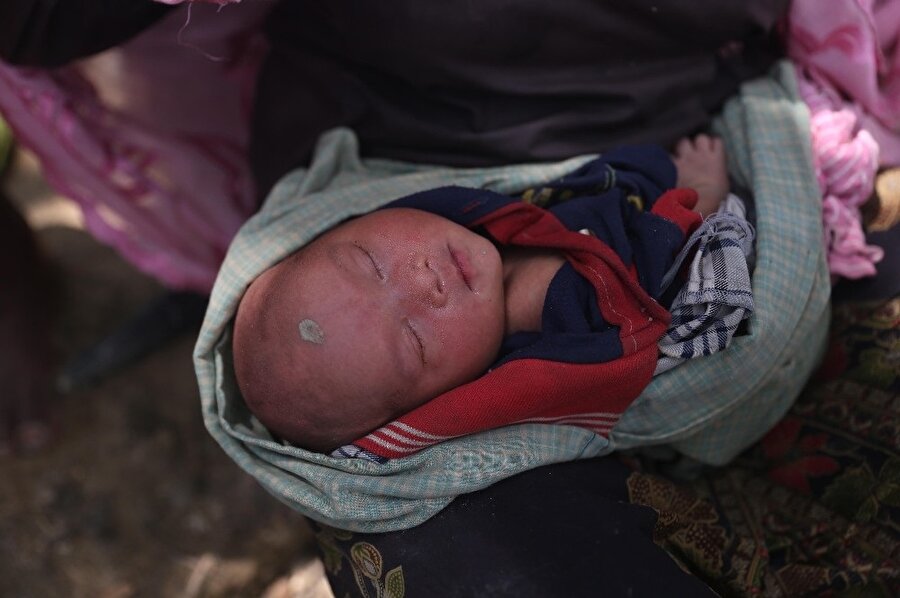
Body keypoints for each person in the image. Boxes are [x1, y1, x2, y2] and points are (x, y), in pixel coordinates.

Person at [233, 135, 732, 453]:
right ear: (442, 399)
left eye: (371, 263)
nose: (424, 283)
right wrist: (704, 190)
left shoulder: (457, 199)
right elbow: (676, 258)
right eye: (415, 339)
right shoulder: (572, 311)